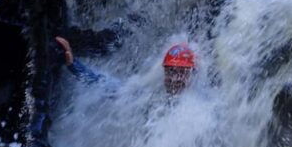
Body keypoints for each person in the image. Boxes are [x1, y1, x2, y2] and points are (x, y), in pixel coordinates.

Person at [55, 36, 195, 95]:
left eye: (181, 72)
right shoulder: (151, 97)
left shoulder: (204, 109)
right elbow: (107, 86)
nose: (174, 78)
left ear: (191, 74)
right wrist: (73, 64)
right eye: (171, 71)